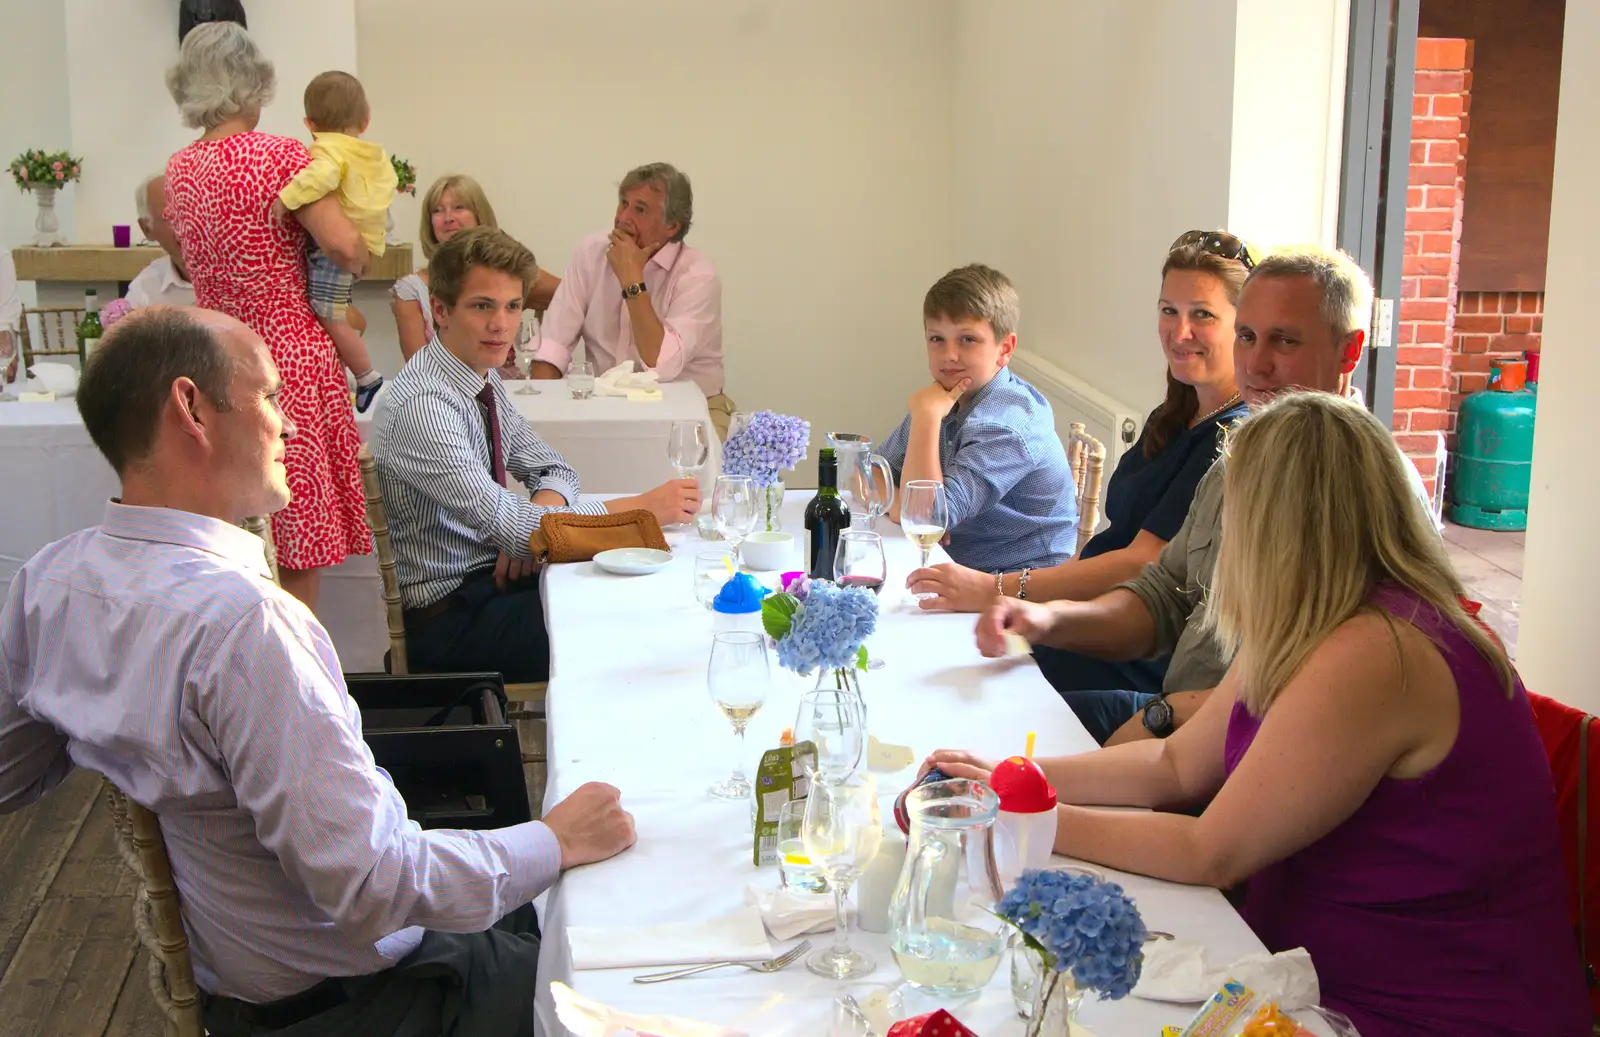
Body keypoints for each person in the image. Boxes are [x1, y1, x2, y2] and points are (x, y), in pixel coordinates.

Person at [0, 306, 637, 1037]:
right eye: (269, 397)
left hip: (246, 990)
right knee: (631, 976)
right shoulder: (242, 626)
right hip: (365, 1001)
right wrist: (556, 838)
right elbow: (373, 885)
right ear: (192, 408)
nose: (291, 425)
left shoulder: (52, 583)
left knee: (559, 910)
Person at [927, 392, 1590, 1037]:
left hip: (1421, 1006)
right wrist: (1015, 776)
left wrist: (1027, 815)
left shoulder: (1380, 651)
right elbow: (1174, 764)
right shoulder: (1318, 614)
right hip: (1301, 968)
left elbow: (1210, 850)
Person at [980, 245, 1437, 746]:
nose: (1257, 365)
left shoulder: (1368, 489)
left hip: (1237, 746)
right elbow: (1163, 597)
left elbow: (1308, 701)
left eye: (1283, 341)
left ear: (1349, 351)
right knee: (988, 722)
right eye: (1246, 337)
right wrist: (1046, 618)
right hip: (1179, 718)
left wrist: (1160, 722)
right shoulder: (1236, 461)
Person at [908, 232, 1250, 705]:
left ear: (1243, 325)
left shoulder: (1232, 441)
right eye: (1169, 310)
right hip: (1086, 615)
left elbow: (1142, 562)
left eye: (1203, 315)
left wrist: (996, 589)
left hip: (1133, 646)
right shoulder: (1176, 414)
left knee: (950, 685)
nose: (1179, 331)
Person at [372, 228, 701, 682]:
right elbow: (517, 529)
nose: (501, 325)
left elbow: (553, 469)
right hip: (450, 618)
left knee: (648, 593)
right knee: (633, 627)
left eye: (512, 307)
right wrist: (643, 509)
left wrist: (538, 524)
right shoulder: (425, 405)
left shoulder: (478, 377)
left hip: (493, 585)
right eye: (482, 306)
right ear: (441, 311)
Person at [163, 22, 371, 611]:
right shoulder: (280, 156)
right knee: (296, 540)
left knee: (237, 535)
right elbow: (346, 249)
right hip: (285, 361)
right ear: (253, 83)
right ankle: (295, 680)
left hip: (212, 361)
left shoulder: (179, 170)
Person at [880, 263, 1078, 574]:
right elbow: (868, 475)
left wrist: (927, 420)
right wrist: (909, 507)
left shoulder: (1006, 424)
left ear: (1005, 348)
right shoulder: (941, 398)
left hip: (1018, 588)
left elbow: (924, 518)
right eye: (937, 339)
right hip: (956, 566)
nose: (949, 355)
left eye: (967, 340)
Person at [528, 162, 734, 437]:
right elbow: (553, 345)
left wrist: (631, 279)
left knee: (690, 471)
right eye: (622, 203)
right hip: (604, 405)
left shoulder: (698, 275)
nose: (623, 217)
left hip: (689, 407)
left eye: (640, 209)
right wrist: (537, 415)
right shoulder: (590, 252)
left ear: (672, 225)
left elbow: (661, 364)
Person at [274, 70, 395, 413]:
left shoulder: (327, 150)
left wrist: (287, 197)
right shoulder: (373, 155)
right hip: (366, 244)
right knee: (338, 310)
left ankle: (366, 375)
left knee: (328, 316)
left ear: (309, 123)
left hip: (335, 254)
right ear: (366, 120)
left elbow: (322, 177)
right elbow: (383, 191)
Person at [390, 174, 560, 379]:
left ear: (480, 214)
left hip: (508, 390)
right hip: (442, 395)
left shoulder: (510, 273)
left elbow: (571, 296)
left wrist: (543, 356)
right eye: (437, 210)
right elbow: (417, 372)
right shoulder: (411, 290)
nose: (448, 218)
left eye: (459, 207)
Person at [127, 174, 196, 308]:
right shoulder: (145, 290)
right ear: (147, 229)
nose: (185, 227)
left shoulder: (243, 274)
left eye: (191, 212)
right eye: (170, 217)